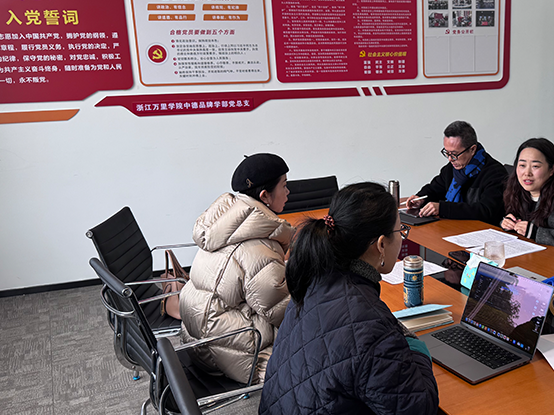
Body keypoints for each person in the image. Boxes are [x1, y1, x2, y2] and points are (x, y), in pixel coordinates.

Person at [260, 182, 439, 415]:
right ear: (381, 245)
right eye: (400, 231)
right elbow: (419, 408)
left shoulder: (313, 278)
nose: (402, 238)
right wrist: (416, 349)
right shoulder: (371, 326)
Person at [179, 153, 294, 385]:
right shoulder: (257, 246)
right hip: (229, 353)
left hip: (198, 338)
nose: (288, 192)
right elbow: (281, 310)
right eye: (284, 185)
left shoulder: (225, 226)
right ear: (265, 196)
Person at [405, 120, 507, 224]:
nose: (450, 159)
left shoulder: (495, 173)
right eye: (447, 153)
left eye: (454, 154)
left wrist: (443, 208)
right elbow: (435, 189)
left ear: (472, 149)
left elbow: (486, 210)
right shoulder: (452, 168)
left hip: (481, 229)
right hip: (454, 226)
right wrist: (420, 198)